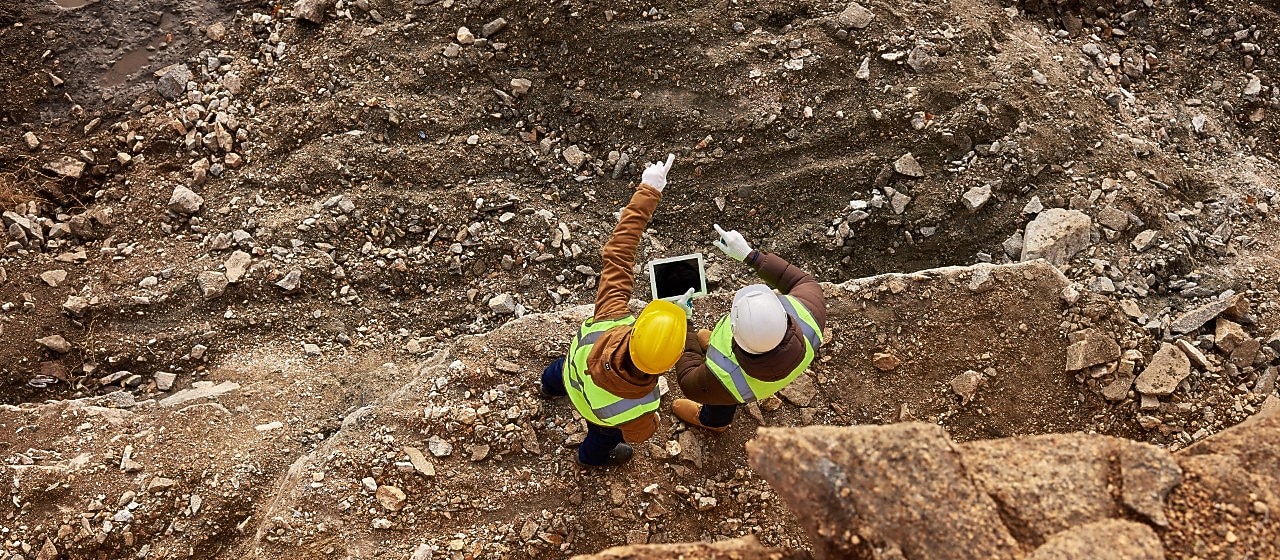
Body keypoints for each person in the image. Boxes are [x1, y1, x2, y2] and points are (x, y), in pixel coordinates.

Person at [539, 154, 688, 467]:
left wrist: (649, 189)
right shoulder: (645, 402)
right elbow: (638, 434)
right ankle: (590, 458)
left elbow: (618, 252)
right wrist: (654, 424)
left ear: (638, 328)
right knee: (602, 439)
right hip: (598, 415)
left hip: (572, 373)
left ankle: (549, 387)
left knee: (557, 374)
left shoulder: (612, 316)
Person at [672, 224, 827, 432]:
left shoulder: (724, 377)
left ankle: (714, 422)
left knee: (721, 401)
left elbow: (687, 378)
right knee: (724, 388)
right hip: (776, 368)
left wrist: (685, 323)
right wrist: (750, 255)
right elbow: (800, 280)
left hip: (730, 386)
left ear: (733, 332)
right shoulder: (810, 317)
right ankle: (712, 349)